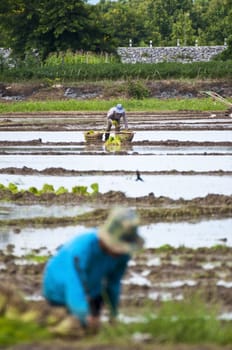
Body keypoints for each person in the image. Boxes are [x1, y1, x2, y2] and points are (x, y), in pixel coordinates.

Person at [42, 207, 144, 332]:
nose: (120, 252)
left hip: (92, 289)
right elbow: (74, 285)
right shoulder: (82, 249)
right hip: (59, 292)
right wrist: (85, 317)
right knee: (75, 326)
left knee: (93, 323)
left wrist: (114, 316)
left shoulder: (122, 255)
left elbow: (114, 284)